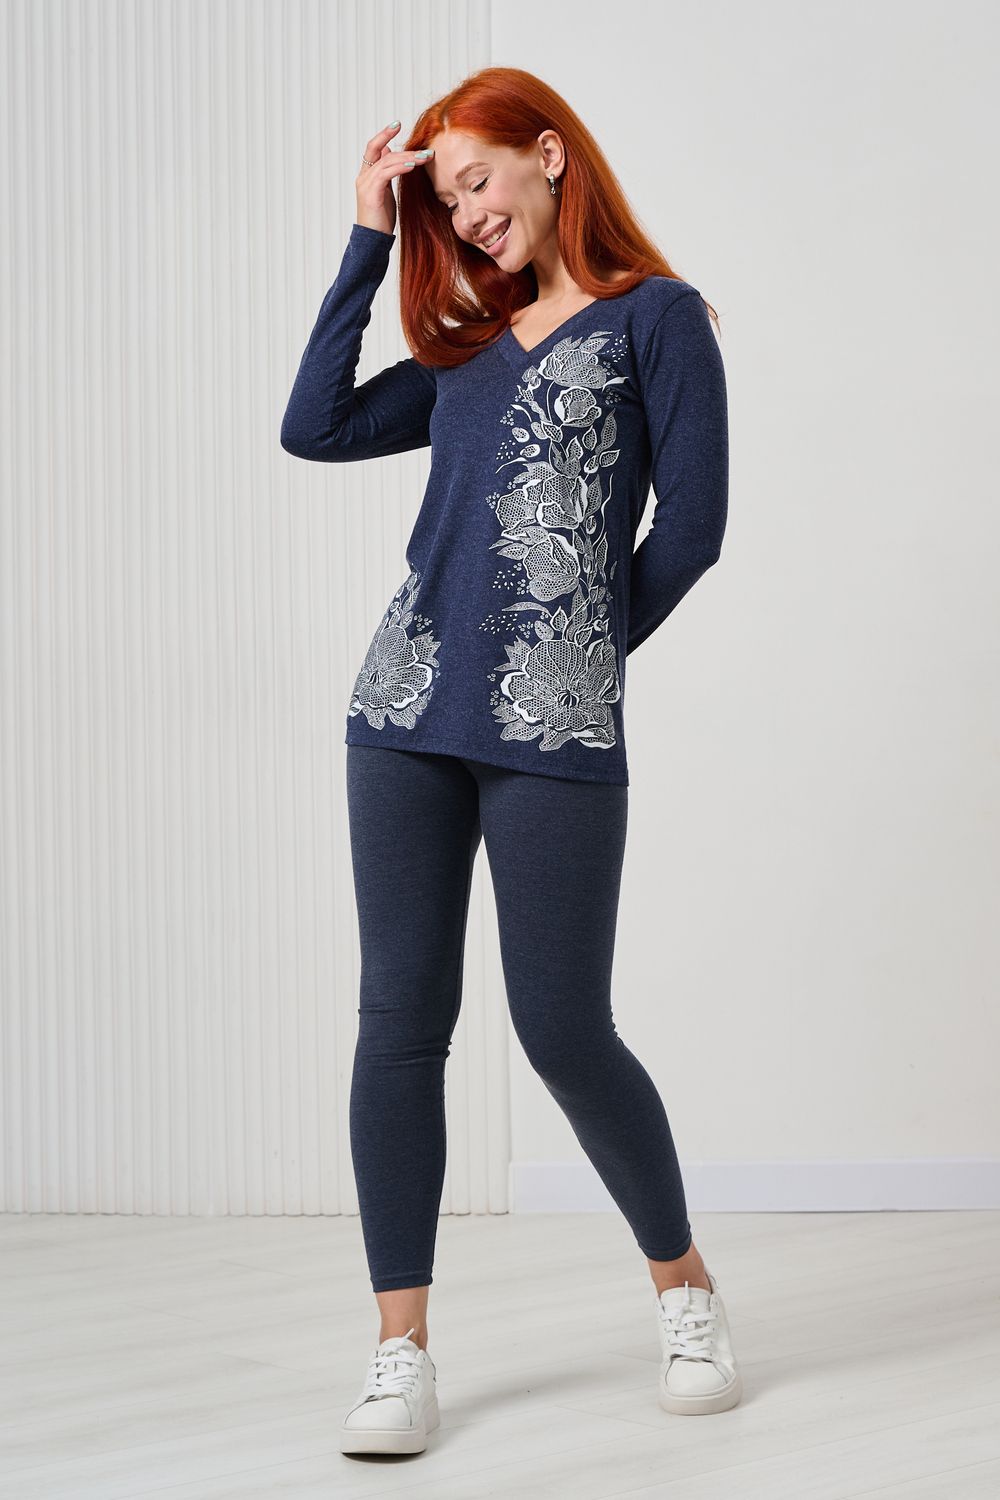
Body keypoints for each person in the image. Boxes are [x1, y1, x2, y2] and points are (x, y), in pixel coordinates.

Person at [280, 65, 740, 1458]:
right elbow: (314, 425)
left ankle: (686, 1291)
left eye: (475, 181)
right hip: (403, 712)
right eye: (447, 201)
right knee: (398, 1025)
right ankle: (400, 1353)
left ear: (548, 154)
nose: (468, 216)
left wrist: (576, 653)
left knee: (563, 1028)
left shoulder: (658, 319)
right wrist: (371, 237)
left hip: (553, 728)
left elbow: (692, 529)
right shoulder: (468, 345)